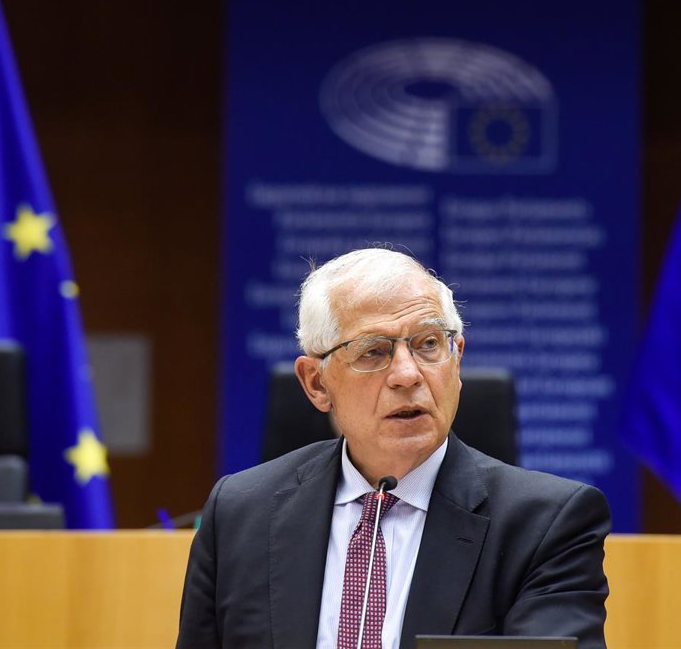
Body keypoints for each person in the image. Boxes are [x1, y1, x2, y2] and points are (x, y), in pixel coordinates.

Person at [177, 248, 610, 649]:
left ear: (457, 359)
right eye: (372, 352)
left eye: (428, 344)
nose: (408, 374)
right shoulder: (240, 515)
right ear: (316, 383)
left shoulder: (546, 525)